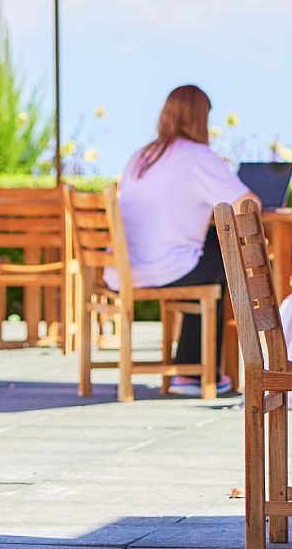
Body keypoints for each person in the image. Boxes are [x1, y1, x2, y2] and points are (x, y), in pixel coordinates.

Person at [116, 84, 254, 395]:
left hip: (130, 269)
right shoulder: (197, 156)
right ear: (201, 118)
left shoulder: (141, 156)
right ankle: (196, 372)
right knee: (229, 255)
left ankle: (194, 366)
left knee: (215, 257)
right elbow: (248, 206)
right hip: (169, 267)